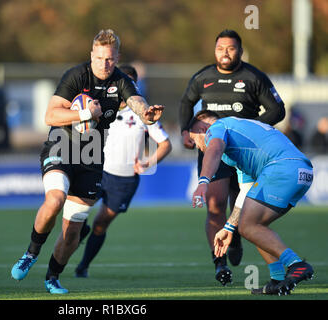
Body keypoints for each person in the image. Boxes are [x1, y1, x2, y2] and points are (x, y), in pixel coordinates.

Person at [10, 30, 164, 294]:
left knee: (73, 230)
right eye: (100, 57)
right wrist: (83, 112)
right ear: (92, 55)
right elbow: (50, 116)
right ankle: (31, 253)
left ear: (117, 58)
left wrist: (146, 113)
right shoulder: (76, 75)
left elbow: (136, 101)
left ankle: (52, 276)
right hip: (62, 144)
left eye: (111, 59)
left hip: (92, 155)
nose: (105, 63)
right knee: (55, 199)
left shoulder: (122, 80)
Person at [178, 29, 285, 285]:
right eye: (220, 48)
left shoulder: (253, 77)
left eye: (231, 48)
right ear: (214, 50)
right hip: (213, 151)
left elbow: (277, 109)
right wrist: (185, 130)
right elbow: (185, 102)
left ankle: (235, 235)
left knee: (245, 209)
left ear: (240, 50)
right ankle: (219, 264)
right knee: (215, 206)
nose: (225, 53)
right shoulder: (202, 77)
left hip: (244, 155)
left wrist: (253, 130)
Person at [189, 110, 314, 295]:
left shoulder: (217, 127)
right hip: (302, 172)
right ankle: (277, 279)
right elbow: (245, 193)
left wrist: (203, 182)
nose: (198, 147)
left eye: (194, 140)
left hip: (282, 168)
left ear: (202, 128)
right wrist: (229, 228)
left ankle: (297, 264)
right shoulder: (239, 147)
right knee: (254, 224)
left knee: (249, 226)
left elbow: (214, 149)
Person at [75, 65, 172, 278]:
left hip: (125, 180)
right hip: (97, 171)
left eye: (129, 83)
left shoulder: (143, 114)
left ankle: (83, 266)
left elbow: (165, 144)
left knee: (100, 224)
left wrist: (148, 162)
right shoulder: (98, 106)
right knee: (77, 213)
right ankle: (80, 232)